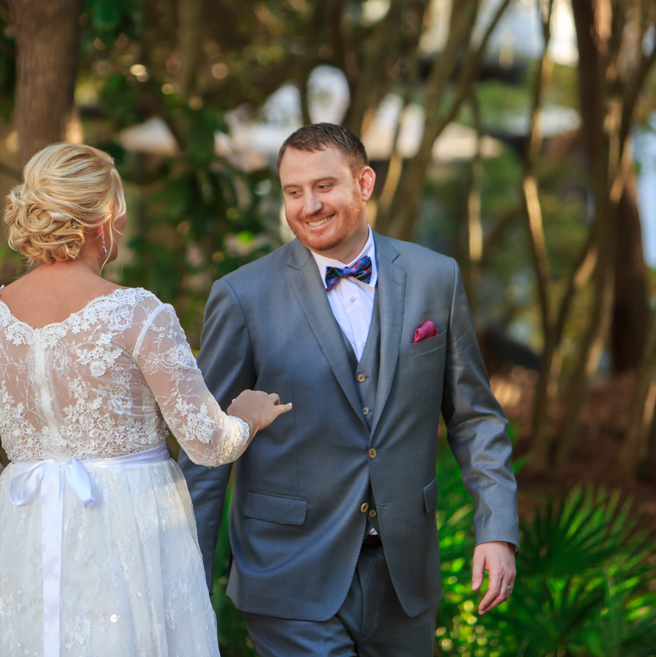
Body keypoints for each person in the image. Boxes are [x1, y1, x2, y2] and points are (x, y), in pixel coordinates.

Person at [179, 123, 519, 656]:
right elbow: (204, 449)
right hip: (288, 579)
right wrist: (188, 584)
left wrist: (497, 527)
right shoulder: (242, 297)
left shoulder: (436, 278)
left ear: (364, 182)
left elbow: (476, 418)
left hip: (404, 582)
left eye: (324, 186)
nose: (308, 205)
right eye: (294, 192)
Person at [0, 142, 291, 657]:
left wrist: (37, 502)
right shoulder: (138, 313)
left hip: (25, 531)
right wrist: (247, 417)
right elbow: (207, 443)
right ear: (103, 221)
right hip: (129, 528)